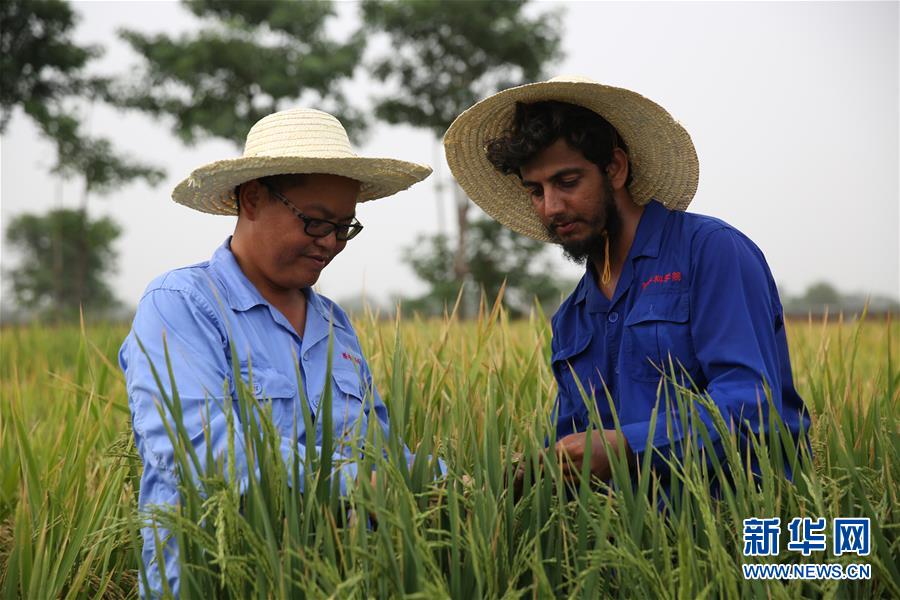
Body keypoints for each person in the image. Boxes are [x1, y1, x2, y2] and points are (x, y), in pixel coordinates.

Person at [119, 108, 431, 597]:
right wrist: (357, 483)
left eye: (344, 228)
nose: (330, 244)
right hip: (217, 583)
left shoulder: (334, 324)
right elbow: (202, 449)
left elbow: (380, 453)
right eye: (315, 222)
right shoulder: (182, 305)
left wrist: (461, 481)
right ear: (252, 198)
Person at [444, 76, 809, 491]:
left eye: (567, 182)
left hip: (734, 515)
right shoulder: (572, 317)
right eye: (536, 191)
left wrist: (629, 446)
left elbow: (751, 403)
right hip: (625, 526)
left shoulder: (710, 251)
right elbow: (576, 449)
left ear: (615, 168)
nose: (551, 207)